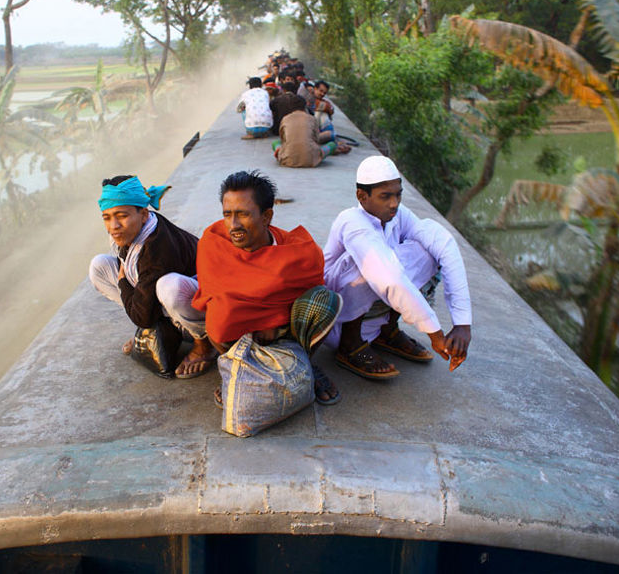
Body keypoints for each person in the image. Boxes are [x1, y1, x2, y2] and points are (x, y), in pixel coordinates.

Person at [192, 170, 342, 404]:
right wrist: (259, 324)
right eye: (227, 214)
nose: (233, 225)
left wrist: (271, 322)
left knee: (325, 301)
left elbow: (310, 292)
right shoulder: (213, 242)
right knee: (218, 318)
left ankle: (304, 364)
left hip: (285, 330)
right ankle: (233, 367)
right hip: (238, 331)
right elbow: (212, 294)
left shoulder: (299, 252)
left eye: (243, 214)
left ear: (266, 216)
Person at [322, 156, 472, 379]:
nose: (394, 203)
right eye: (385, 196)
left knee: (428, 250)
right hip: (336, 315)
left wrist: (462, 324)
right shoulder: (352, 222)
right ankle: (350, 345)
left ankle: (386, 330)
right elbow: (388, 278)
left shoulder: (396, 215)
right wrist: (435, 333)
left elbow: (443, 244)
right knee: (368, 264)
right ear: (362, 197)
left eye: (398, 194)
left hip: (370, 312)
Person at [89, 175, 216, 379]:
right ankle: (164, 325)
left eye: (121, 216)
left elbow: (143, 318)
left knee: (170, 287)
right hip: (154, 289)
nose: (113, 226)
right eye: (107, 217)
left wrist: (123, 281)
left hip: (206, 302)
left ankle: (204, 341)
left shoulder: (157, 249)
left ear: (144, 215)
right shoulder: (128, 231)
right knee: (99, 266)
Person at [272, 108, 350, 168]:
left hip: (287, 160)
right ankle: (336, 149)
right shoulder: (312, 119)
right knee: (332, 145)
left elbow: (283, 139)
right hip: (311, 160)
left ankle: (279, 153)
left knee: (275, 143)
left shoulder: (285, 118)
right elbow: (316, 140)